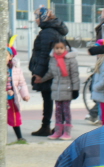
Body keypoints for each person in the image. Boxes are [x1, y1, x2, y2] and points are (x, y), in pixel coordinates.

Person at [29, 6, 68, 137]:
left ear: (43, 17)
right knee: (54, 99)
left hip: (48, 72)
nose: (35, 20)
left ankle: (48, 127)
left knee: (49, 99)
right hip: (54, 70)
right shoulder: (53, 29)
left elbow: (45, 54)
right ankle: (57, 127)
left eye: (37, 17)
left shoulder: (47, 32)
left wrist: (39, 74)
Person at [35, 39, 79, 140]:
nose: (59, 50)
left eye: (61, 48)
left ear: (65, 48)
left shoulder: (70, 59)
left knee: (66, 111)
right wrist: (41, 79)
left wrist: (75, 89)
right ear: (53, 49)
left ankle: (67, 132)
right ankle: (58, 131)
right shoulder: (53, 59)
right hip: (56, 89)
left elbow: (75, 75)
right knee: (58, 111)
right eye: (57, 48)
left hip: (67, 89)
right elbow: (51, 73)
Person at [6, 44, 30, 143]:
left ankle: (19, 137)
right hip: (3, 98)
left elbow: (21, 83)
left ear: (11, 56)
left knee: (15, 118)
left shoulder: (16, 70)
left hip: (11, 98)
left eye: (5, 55)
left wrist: (25, 95)